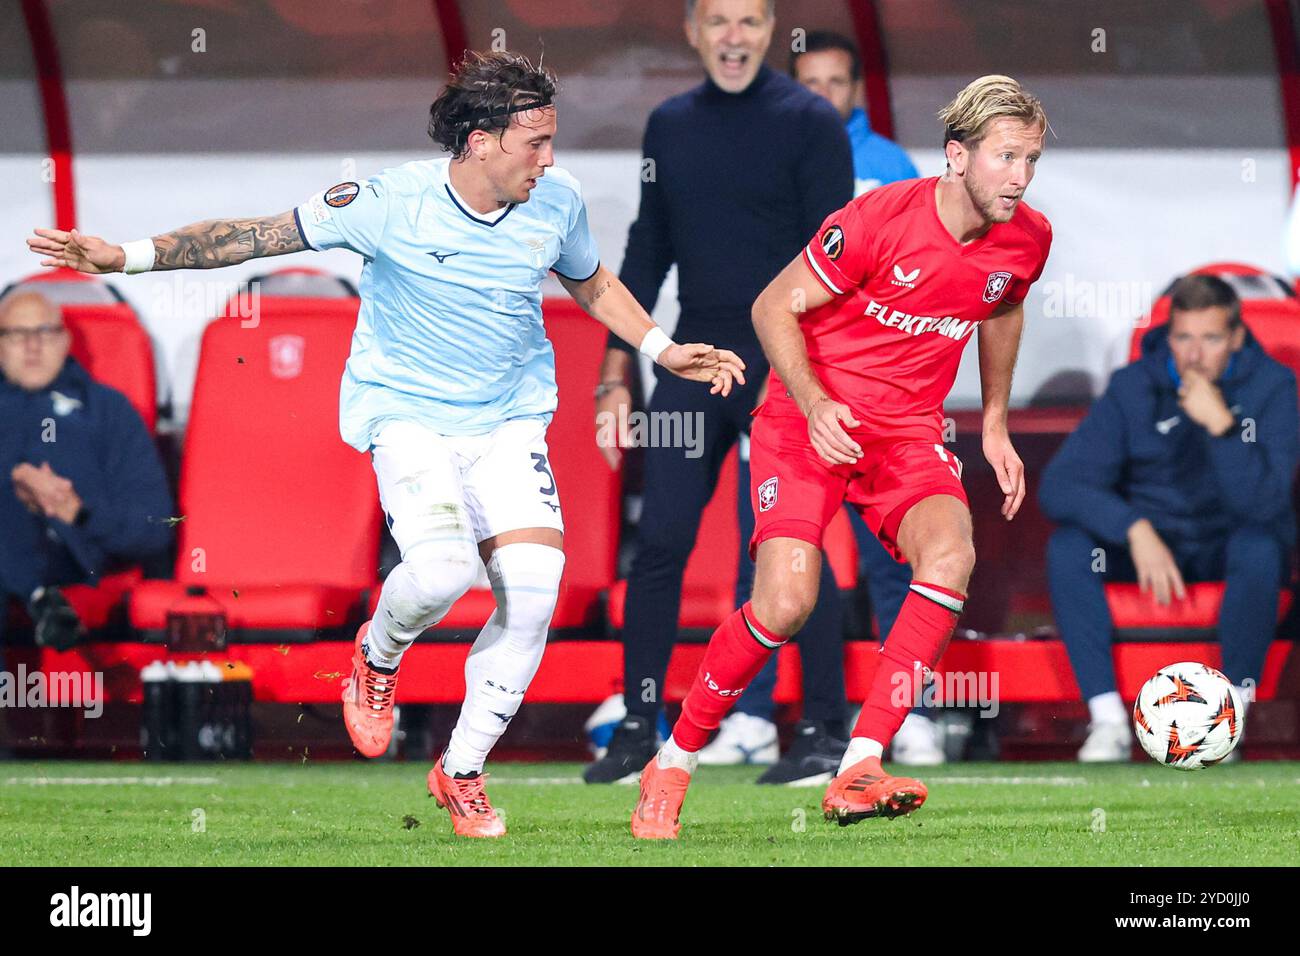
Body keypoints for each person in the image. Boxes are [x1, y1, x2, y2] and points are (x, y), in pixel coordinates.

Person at [29, 50, 744, 838]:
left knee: (535, 594)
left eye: (551, 140)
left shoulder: (557, 200)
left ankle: (462, 770)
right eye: (534, 141)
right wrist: (125, 256)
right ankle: (378, 654)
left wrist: (662, 348)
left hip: (508, 421)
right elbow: (253, 237)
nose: (549, 158)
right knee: (441, 570)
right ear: (479, 140)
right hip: (406, 415)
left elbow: (592, 282)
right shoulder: (386, 202)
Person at [630, 74, 1053, 839]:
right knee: (785, 604)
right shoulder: (879, 218)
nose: (1019, 178)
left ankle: (860, 763)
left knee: (950, 555)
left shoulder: (1028, 237)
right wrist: (818, 402)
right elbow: (771, 307)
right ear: (957, 155)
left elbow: (1004, 302)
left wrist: (994, 421)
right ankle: (674, 760)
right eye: (1005, 157)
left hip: (908, 433)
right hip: (805, 418)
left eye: (1030, 160)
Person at [584, 0, 855, 785]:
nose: (733, 37)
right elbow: (648, 247)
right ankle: (640, 723)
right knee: (661, 541)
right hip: (694, 359)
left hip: (785, 360)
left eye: (749, 21)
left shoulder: (811, 121)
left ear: (771, 32)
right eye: (719, 21)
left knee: (790, 544)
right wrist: (618, 368)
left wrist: (811, 375)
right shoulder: (669, 125)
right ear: (694, 31)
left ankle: (824, 733)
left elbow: (836, 257)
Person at [711, 28, 942, 776]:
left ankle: (911, 717)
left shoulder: (894, 171)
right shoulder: (767, 157)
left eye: (837, 82)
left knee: (897, 565)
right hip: (793, 387)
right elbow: (767, 282)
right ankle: (749, 717)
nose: (824, 96)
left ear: (856, 90)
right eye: (809, 82)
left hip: (881, 402)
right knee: (777, 565)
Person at [1040, 275, 1297, 762]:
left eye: (1211, 338)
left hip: (1227, 545)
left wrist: (1222, 428)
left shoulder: (1273, 387)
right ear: (1169, 336)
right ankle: (1108, 720)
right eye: (1183, 337)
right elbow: (1061, 486)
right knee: (1071, 547)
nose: (1195, 354)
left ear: (1237, 338)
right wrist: (1133, 528)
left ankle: (1230, 719)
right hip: (1151, 545)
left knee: (1261, 544)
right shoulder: (1135, 385)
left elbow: (1266, 503)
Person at [0, 291, 173, 651]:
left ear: (64, 342)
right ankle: (38, 596)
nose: (32, 346)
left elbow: (156, 529)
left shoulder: (108, 411)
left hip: (76, 557)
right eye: (17, 334)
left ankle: (38, 593)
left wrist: (78, 512)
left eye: (44, 332)